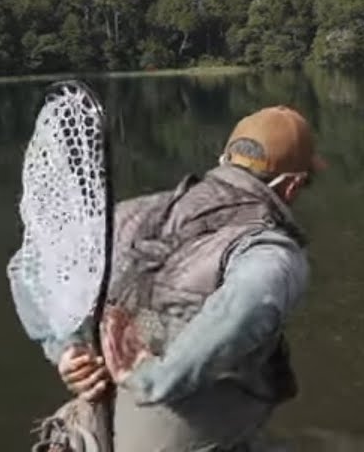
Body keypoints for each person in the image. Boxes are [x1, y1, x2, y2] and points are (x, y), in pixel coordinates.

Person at [22, 104, 325, 451]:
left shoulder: (131, 215)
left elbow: (30, 262)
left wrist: (66, 347)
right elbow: (254, 298)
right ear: (291, 186)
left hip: (85, 435)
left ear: (225, 160)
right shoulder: (270, 250)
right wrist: (157, 379)